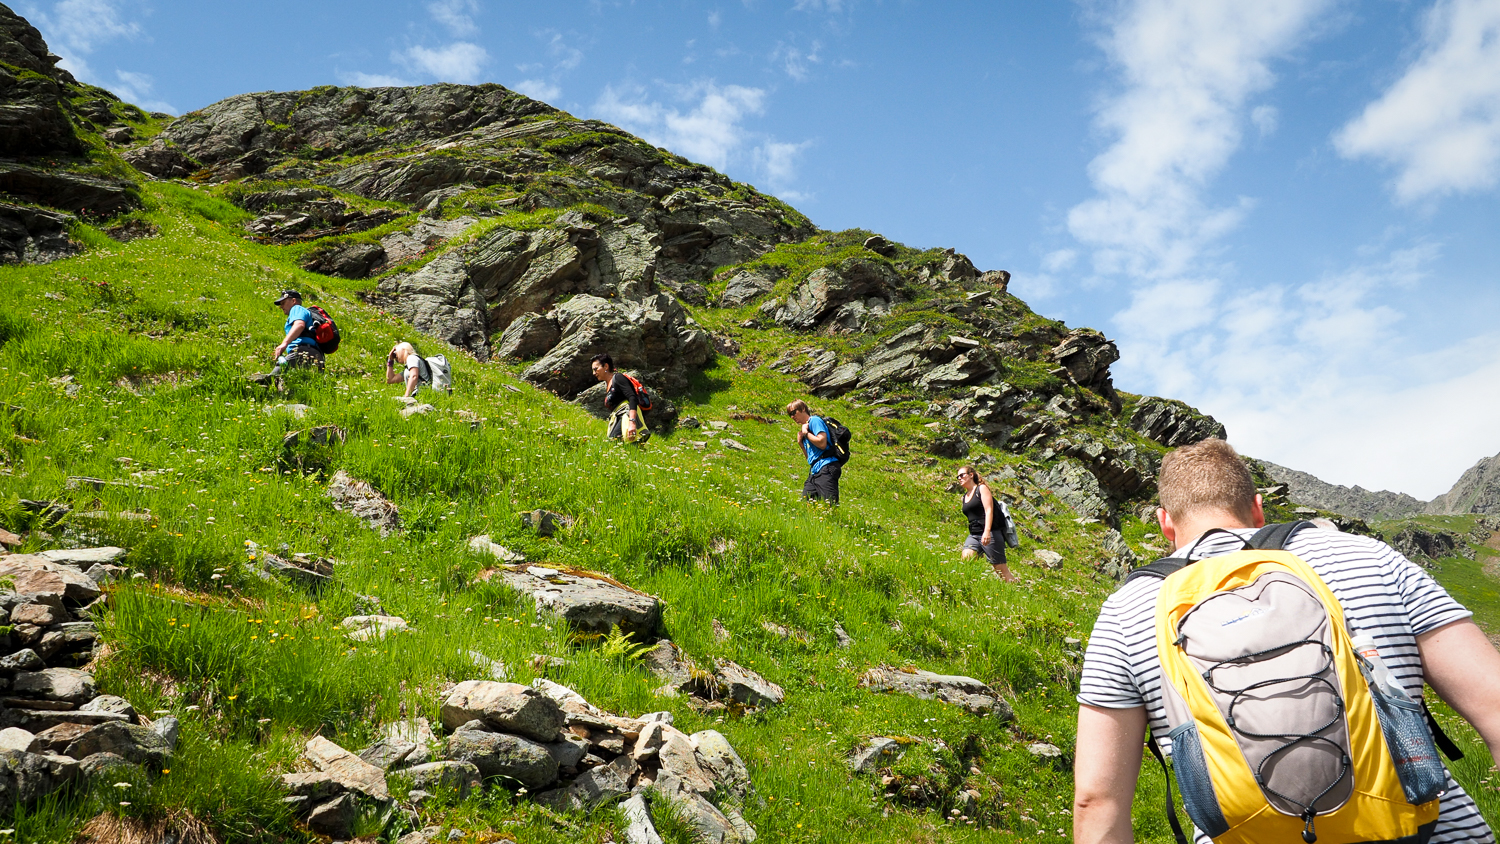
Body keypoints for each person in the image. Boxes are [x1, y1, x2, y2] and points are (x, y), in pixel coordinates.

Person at [1073, 438, 1500, 844]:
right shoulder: (1365, 557)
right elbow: (1494, 704)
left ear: (1165, 521)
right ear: (1258, 509)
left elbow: (1097, 802)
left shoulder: (1126, 613)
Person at [957, 466, 1017, 582]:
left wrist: (987, 531)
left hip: (990, 533)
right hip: (974, 534)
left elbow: (989, 510)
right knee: (966, 559)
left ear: (971, 475)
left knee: (1000, 569)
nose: (959, 478)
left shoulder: (982, 489)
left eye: (962, 475)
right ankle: (973, 584)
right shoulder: (964, 497)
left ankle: (1015, 586)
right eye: (958, 476)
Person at [787, 399, 839, 504]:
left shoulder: (814, 420)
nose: (792, 417)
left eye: (793, 412)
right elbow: (811, 459)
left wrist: (806, 433)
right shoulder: (806, 429)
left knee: (830, 505)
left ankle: (835, 520)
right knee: (806, 504)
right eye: (790, 415)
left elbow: (822, 442)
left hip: (826, 468)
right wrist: (801, 444)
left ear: (803, 409)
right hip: (815, 471)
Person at [591, 353, 649, 443]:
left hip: (626, 414)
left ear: (606, 366)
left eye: (596, 369)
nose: (594, 373)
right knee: (617, 443)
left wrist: (632, 422)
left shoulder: (618, 378)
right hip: (618, 417)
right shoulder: (608, 385)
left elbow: (632, 397)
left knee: (615, 442)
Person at [271, 290, 324, 373]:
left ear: (293, 301)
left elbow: (299, 325)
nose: (281, 306)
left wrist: (284, 344)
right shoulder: (303, 312)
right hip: (316, 354)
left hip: (302, 352)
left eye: (283, 303)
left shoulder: (297, 308)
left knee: (272, 378)